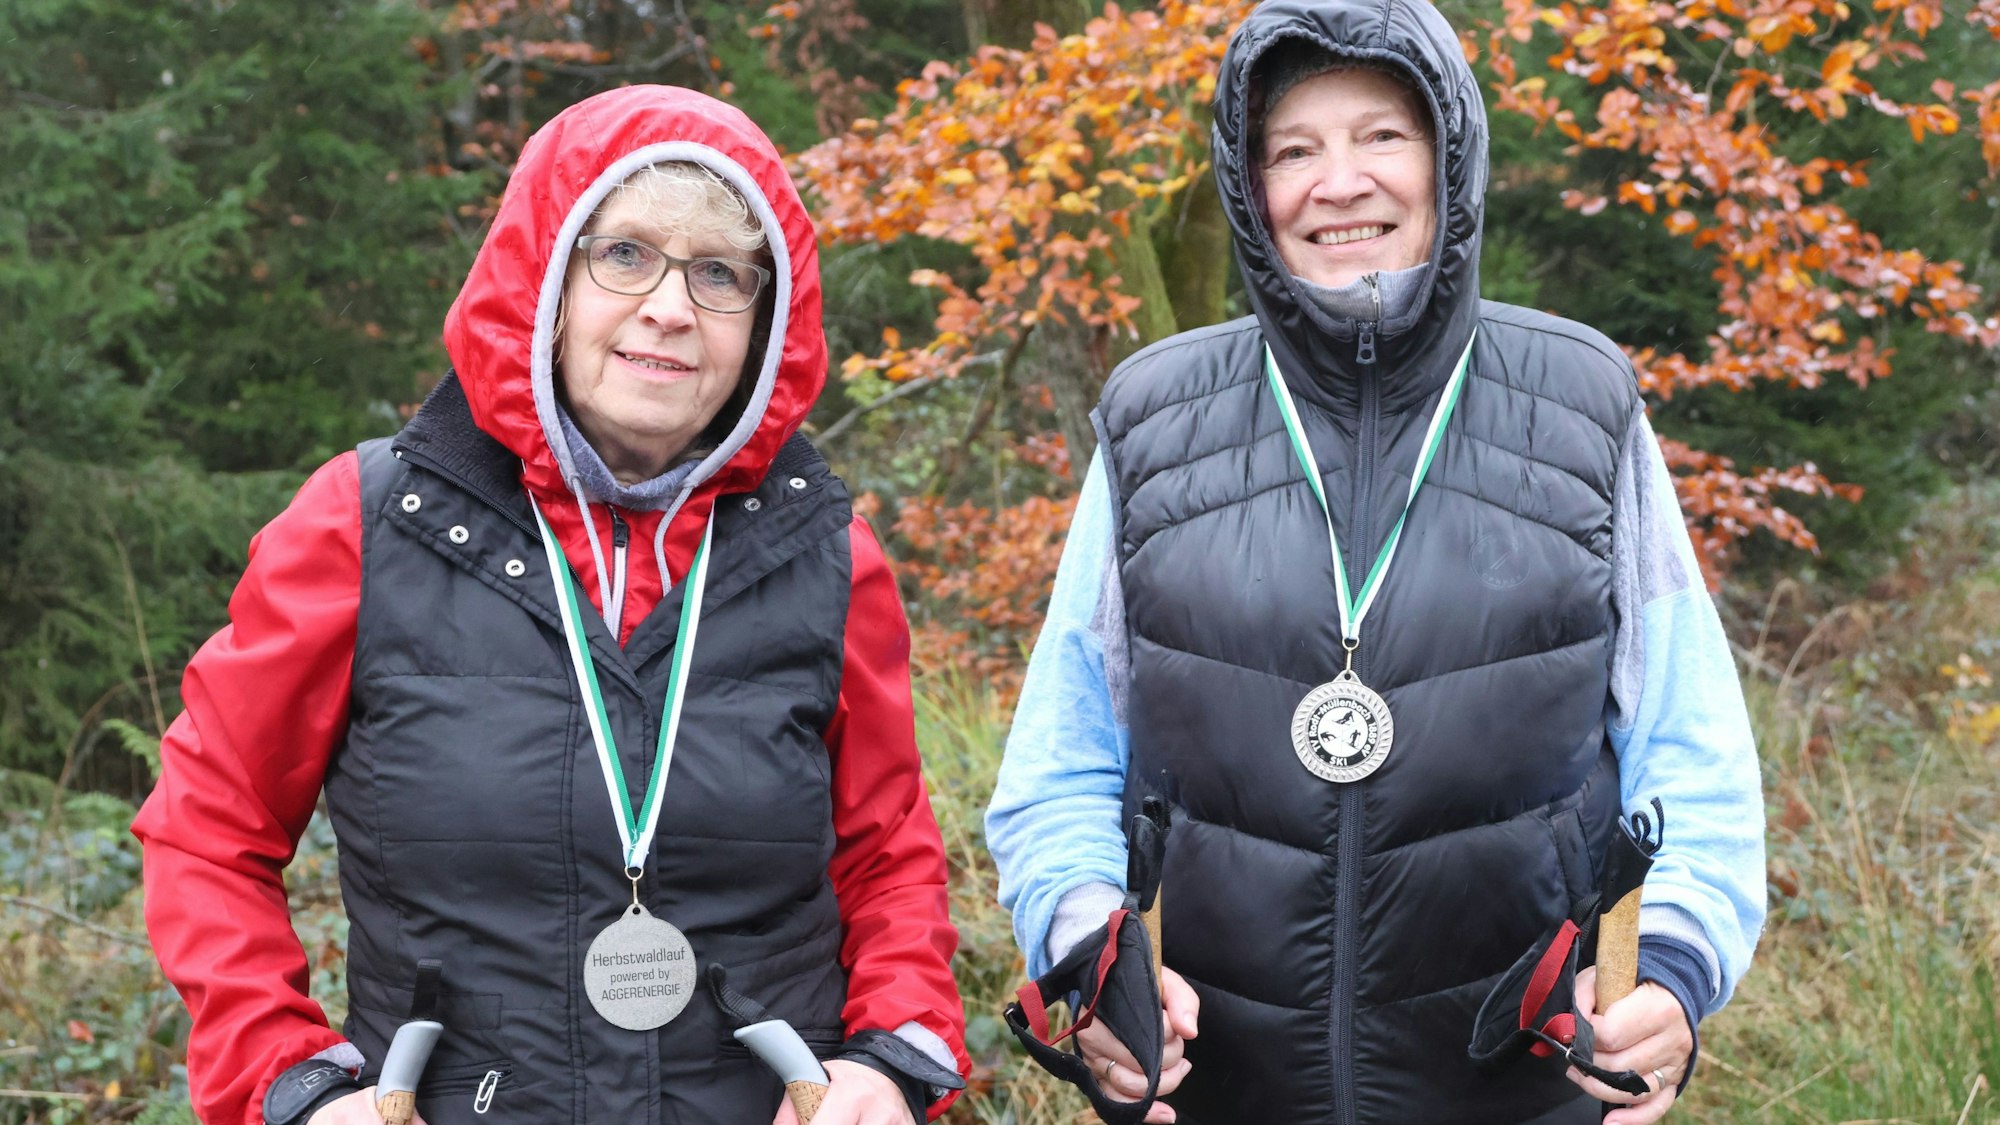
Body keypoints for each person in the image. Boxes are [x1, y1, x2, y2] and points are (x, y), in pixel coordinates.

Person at [985, 2, 1766, 1123]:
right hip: (1222, 1096)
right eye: (1292, 150)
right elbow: (1057, 770)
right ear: (1248, 189)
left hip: (1521, 1091)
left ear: (1450, 159)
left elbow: (1692, 761)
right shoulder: (1150, 420)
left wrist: (1677, 973)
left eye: (1381, 138)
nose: (1337, 182)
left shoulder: (1584, 403)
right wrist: (1090, 958)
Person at [134, 85, 967, 1125]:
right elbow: (208, 828)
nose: (669, 305)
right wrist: (288, 1079)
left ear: (765, 323)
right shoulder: (362, 525)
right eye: (623, 254)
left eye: (718, 274)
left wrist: (890, 1054)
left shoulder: (827, 553)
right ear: (547, 276)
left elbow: (887, 852)